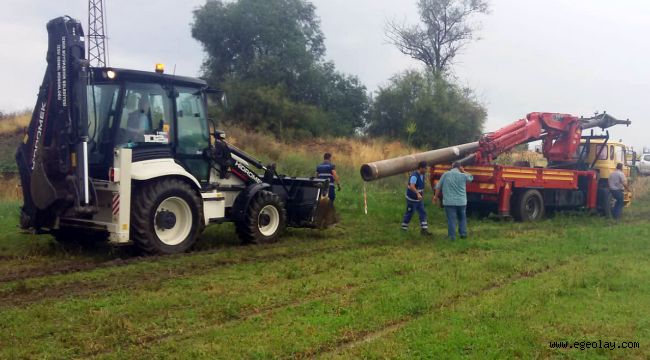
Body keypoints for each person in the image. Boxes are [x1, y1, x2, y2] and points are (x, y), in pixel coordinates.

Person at [434, 161, 474, 241]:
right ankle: (463, 234)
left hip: (449, 202)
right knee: (462, 218)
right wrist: (463, 171)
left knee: (451, 219)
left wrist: (435, 197)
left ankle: (452, 237)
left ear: (452, 167)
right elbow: (471, 178)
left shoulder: (445, 175)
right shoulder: (463, 176)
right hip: (462, 202)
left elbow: (438, 187)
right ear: (460, 167)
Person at [402, 161, 431, 235]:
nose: (426, 170)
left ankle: (424, 230)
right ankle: (403, 229)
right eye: (425, 168)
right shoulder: (414, 176)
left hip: (419, 199)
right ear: (420, 168)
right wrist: (418, 193)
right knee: (410, 213)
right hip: (412, 198)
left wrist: (421, 194)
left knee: (422, 212)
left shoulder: (422, 175)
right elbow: (412, 186)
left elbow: (421, 187)